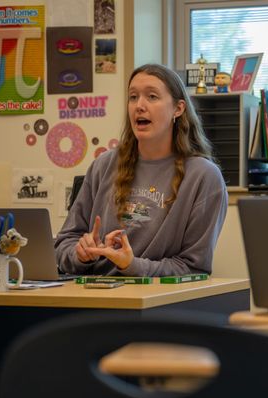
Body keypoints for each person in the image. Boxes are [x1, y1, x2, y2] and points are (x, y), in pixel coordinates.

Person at [55, 64, 228, 277]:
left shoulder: (204, 176)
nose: (139, 105)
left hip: (156, 304)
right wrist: (80, 254)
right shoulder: (103, 165)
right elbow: (63, 245)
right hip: (93, 297)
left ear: (178, 108)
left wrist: (131, 265)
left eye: (152, 97)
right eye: (133, 97)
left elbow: (193, 267)